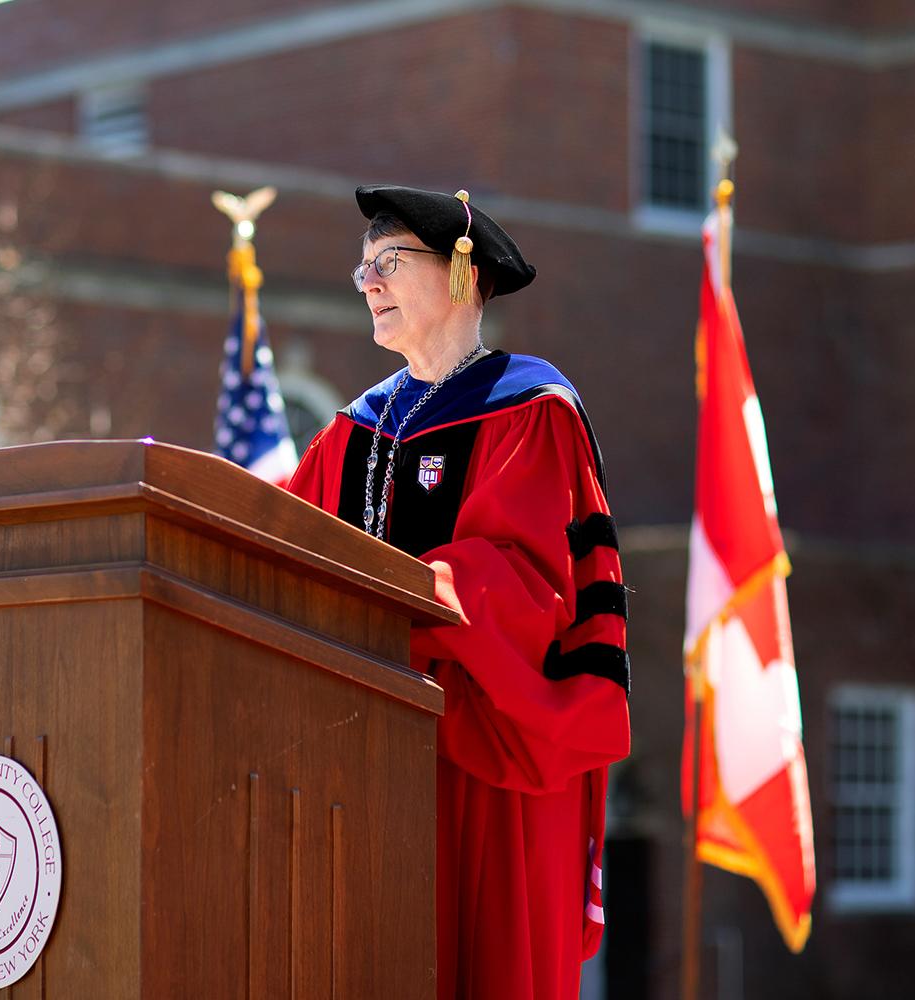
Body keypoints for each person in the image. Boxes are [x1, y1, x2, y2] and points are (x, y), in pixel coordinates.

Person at [285, 184, 631, 1000]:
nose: (367, 282)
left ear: (464, 276)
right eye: (362, 268)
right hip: (367, 745)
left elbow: (526, 582)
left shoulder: (533, 409)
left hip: (488, 741)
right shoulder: (353, 429)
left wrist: (385, 601)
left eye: (389, 262)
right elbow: (277, 545)